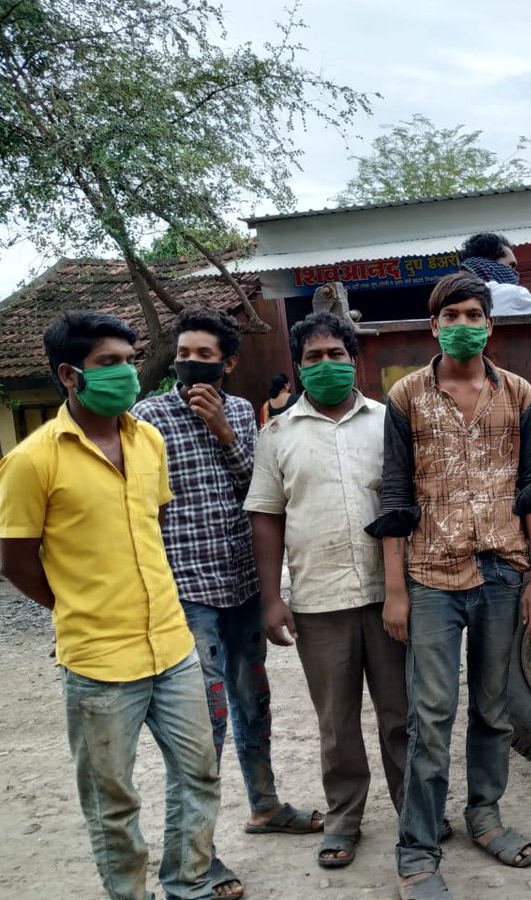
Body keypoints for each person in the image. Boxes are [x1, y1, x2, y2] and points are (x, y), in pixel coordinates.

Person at [0, 311, 222, 900]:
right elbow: (17, 562)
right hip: (98, 663)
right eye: (109, 363)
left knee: (198, 776)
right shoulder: (31, 461)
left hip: (173, 646)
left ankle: (188, 885)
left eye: (128, 360)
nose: (126, 373)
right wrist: (73, 609)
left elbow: (156, 524)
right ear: (70, 375)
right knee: (112, 798)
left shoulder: (147, 439)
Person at [372, 271, 531, 900]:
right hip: (431, 578)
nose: (462, 325)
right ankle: (417, 849)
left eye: (473, 314)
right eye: (450, 316)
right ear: (433, 327)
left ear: (490, 324)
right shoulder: (406, 399)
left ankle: (485, 817)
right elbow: (395, 496)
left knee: (494, 710)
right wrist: (395, 590)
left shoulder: (520, 395)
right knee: (431, 716)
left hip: (503, 572)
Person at [132, 308, 324, 899]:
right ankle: (198, 853)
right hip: (186, 594)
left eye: (204, 356)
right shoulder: (146, 418)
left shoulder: (242, 414)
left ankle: (264, 806)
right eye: (183, 354)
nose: (191, 365)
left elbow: (259, 491)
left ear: (228, 364)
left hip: (240, 585)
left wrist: (223, 432)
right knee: (204, 725)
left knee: (253, 703)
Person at [244, 311, 408, 871]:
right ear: (299, 366)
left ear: (354, 358)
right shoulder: (277, 434)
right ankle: (344, 820)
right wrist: (272, 597)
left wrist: (403, 589)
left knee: (401, 715)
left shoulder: (389, 422)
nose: (326, 364)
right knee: (336, 726)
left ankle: (418, 813)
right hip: (318, 602)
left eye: (336, 354)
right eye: (313, 357)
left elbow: (407, 506)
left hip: (389, 597)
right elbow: (266, 517)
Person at [459, 231, 531, 315]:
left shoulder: (448, 295)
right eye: (511, 266)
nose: (515, 274)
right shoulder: (510, 294)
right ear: (488, 265)